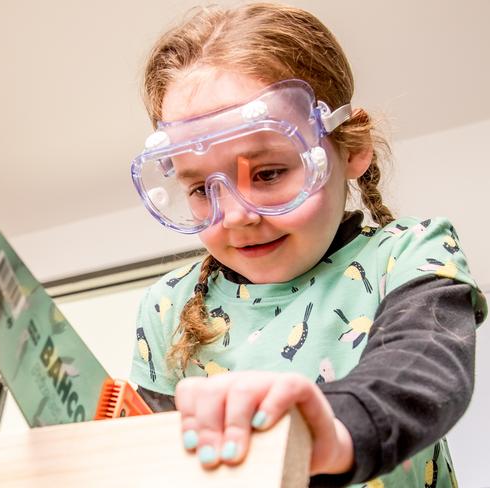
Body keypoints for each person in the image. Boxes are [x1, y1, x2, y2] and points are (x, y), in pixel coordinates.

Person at [128, 3, 486, 486]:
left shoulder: (408, 254)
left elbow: (423, 368)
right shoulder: (167, 306)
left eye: (269, 173)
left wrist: (332, 432)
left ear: (352, 147)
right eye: (199, 189)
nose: (237, 215)